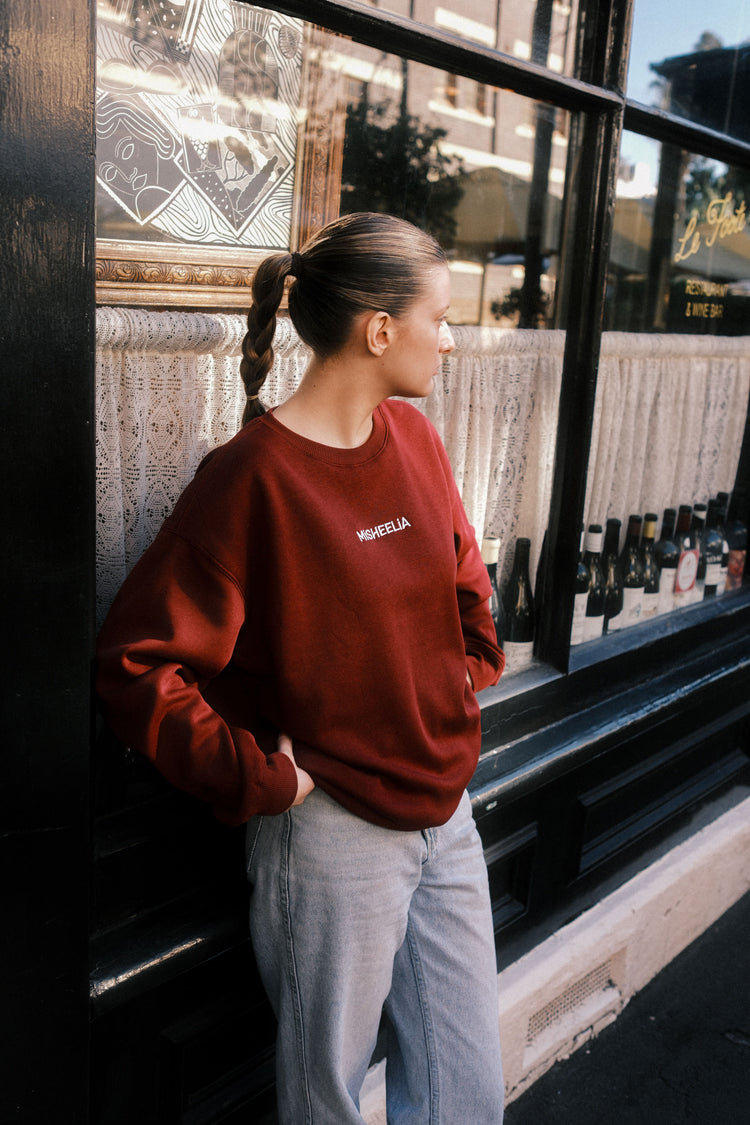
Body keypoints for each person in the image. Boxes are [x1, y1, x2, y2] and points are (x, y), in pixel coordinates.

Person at [96, 211, 506, 1124]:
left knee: (468, 1095)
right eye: (441, 318)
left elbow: (464, 583)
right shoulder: (250, 479)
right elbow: (136, 664)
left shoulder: (418, 443)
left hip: (448, 811)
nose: (452, 339)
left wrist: (458, 679)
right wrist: (261, 778)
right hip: (330, 837)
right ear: (380, 329)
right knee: (326, 1103)